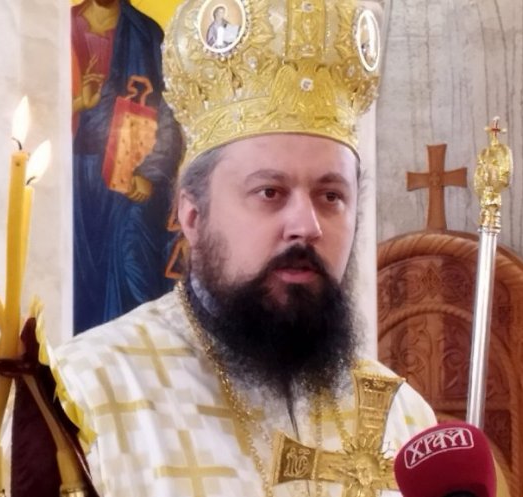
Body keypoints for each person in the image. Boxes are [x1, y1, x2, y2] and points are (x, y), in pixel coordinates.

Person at [46, 0, 438, 495]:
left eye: (331, 196)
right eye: (270, 192)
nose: (306, 226)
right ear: (192, 215)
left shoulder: (404, 421)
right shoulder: (85, 396)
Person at [71, 0, 184, 333]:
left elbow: (169, 112)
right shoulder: (58, 31)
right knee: (74, 281)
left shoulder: (146, 35)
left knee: (132, 270)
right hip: (71, 179)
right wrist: (78, 103)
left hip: (128, 179)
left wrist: (151, 174)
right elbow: (31, 112)